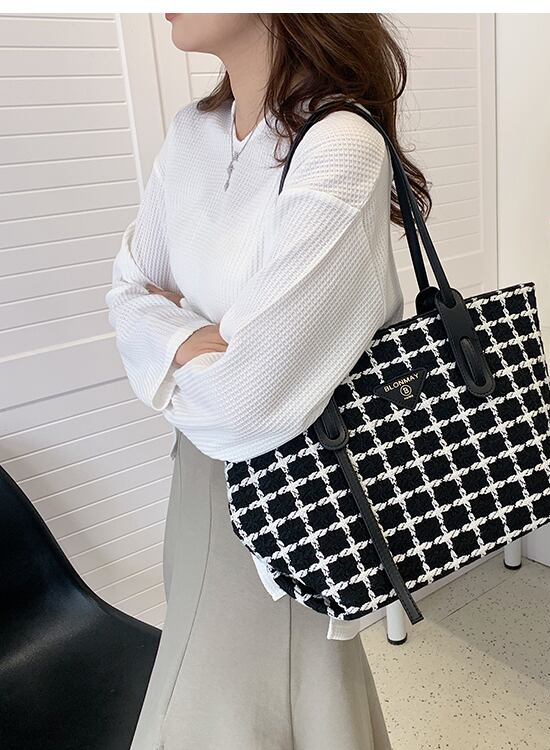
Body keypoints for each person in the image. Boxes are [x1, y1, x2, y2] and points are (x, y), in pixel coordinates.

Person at [105, 12, 432, 750]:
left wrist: (174, 339)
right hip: (194, 484)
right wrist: (202, 340)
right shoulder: (192, 135)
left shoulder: (339, 145)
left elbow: (245, 400)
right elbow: (126, 293)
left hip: (291, 494)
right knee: (302, 708)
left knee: (242, 713)